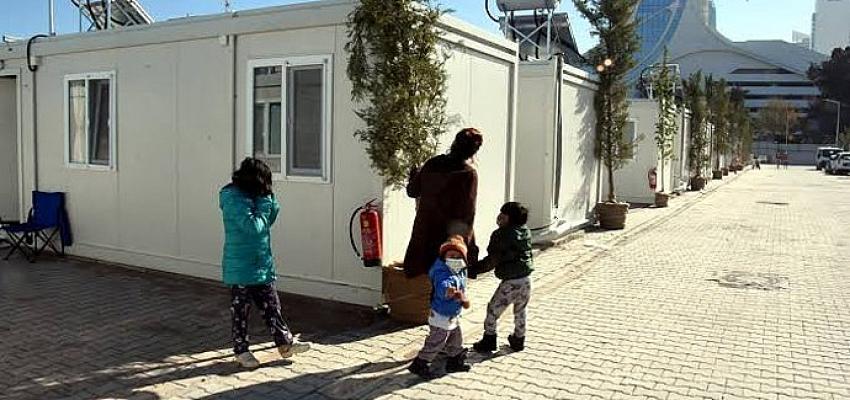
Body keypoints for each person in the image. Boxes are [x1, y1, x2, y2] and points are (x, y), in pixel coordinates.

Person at [219, 158, 310, 368]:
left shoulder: (255, 197)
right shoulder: (233, 198)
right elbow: (254, 227)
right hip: (240, 266)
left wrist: (269, 202)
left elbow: (268, 219)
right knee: (241, 312)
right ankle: (241, 351)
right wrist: (264, 203)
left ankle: (285, 344)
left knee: (272, 307)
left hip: (261, 263)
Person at [404, 128, 484, 277]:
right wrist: (463, 243)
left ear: (454, 143)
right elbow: (467, 213)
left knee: (421, 281)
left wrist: (414, 174)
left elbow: (412, 191)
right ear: (473, 152)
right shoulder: (468, 174)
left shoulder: (432, 164)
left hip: (424, 235)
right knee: (452, 280)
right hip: (449, 241)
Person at [470, 202, 534, 353]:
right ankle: (519, 339)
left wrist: (473, 270)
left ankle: (489, 339)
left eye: (503, 215)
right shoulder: (525, 231)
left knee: (493, 310)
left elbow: (493, 260)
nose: (499, 217)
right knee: (520, 310)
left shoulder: (502, 235)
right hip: (526, 280)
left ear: (510, 218)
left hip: (510, 283)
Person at [407, 235, 472, 379]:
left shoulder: (460, 269)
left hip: (453, 313)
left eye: (458, 256)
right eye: (451, 256)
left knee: (456, 338)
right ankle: (420, 363)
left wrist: (462, 298)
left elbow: (462, 283)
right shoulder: (441, 270)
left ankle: (454, 361)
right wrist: (448, 291)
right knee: (436, 341)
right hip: (441, 314)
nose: (454, 259)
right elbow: (442, 284)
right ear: (444, 256)